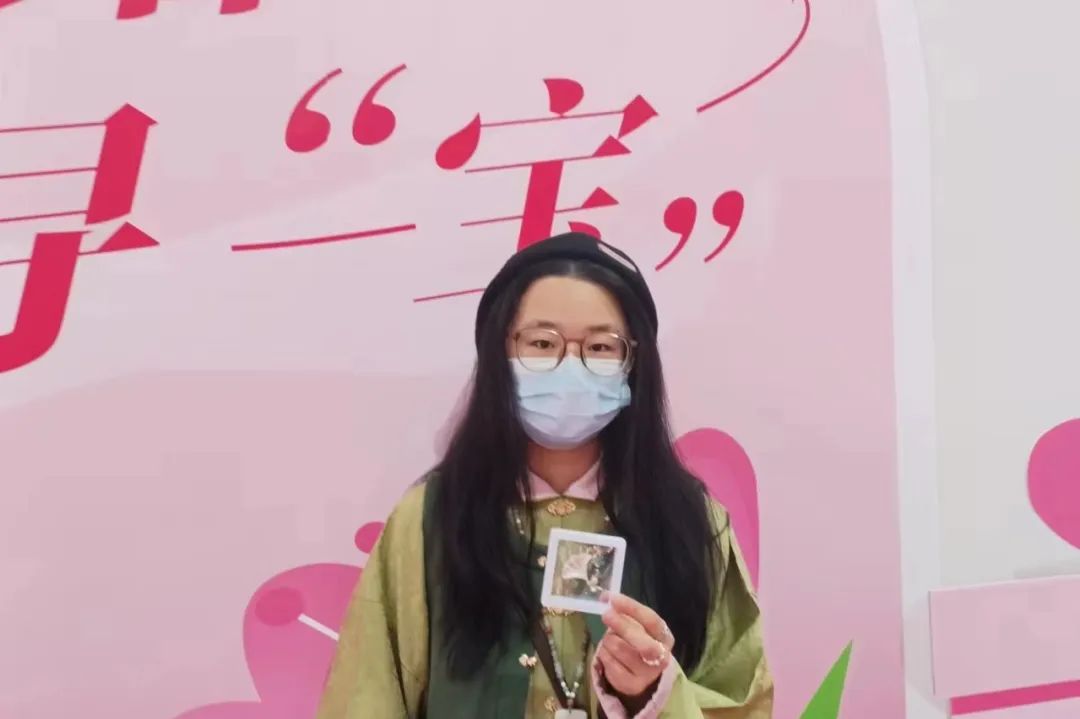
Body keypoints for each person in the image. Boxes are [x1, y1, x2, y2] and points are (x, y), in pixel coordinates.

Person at [316, 232, 772, 718]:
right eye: (541, 342)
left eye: (601, 346)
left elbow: (743, 703)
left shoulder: (691, 524)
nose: (569, 366)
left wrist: (653, 694)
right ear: (499, 353)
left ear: (634, 364)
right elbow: (365, 699)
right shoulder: (430, 520)